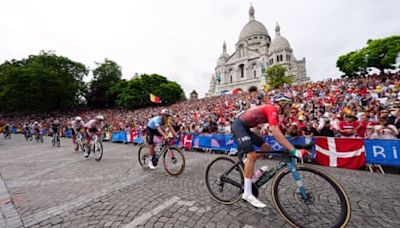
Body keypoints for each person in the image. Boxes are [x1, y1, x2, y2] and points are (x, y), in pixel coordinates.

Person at [231, 93, 307, 208]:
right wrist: (293, 150)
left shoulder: (274, 113)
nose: (290, 109)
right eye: (289, 106)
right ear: (282, 104)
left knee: (266, 148)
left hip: (246, 128)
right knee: (252, 155)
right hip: (239, 125)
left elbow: (274, 130)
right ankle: (247, 194)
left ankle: (248, 166)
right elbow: (276, 132)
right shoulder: (271, 109)